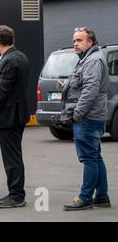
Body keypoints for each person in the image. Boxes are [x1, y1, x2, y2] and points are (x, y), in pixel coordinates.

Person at [61, 27, 111, 211]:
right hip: (92, 115)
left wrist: (78, 113)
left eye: (79, 40)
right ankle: (102, 197)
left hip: (88, 117)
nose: (75, 43)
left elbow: (90, 89)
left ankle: (86, 198)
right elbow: (84, 84)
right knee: (95, 157)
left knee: (89, 159)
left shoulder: (93, 60)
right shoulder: (88, 59)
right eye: (74, 40)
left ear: (90, 42)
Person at [0, 25, 30, 208]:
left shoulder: (9, 60)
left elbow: (2, 92)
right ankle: (14, 192)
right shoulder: (20, 56)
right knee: (13, 155)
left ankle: (16, 196)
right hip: (17, 114)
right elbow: (6, 87)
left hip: (10, 116)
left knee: (12, 157)